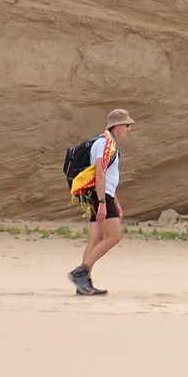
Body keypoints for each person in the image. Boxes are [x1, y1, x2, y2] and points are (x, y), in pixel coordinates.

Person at [67, 108, 135, 296]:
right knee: (115, 236)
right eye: (126, 125)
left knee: (96, 239)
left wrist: (115, 201)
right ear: (117, 126)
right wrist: (104, 202)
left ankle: (83, 284)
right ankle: (81, 272)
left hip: (101, 195)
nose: (128, 129)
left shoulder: (106, 142)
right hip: (100, 195)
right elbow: (99, 173)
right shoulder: (105, 144)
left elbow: (108, 176)